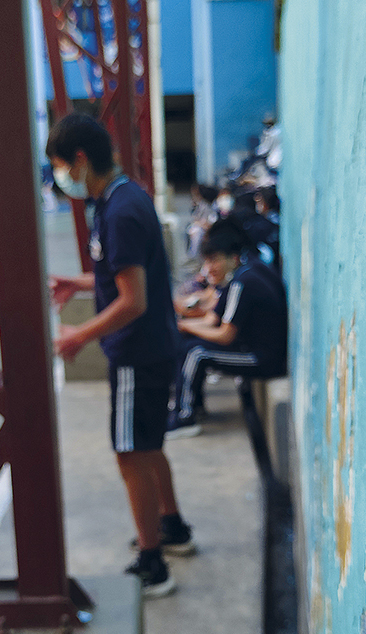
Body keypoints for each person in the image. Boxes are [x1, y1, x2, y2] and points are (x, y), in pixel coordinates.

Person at [46, 113, 193, 598]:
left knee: (130, 452)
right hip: (151, 349)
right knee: (148, 445)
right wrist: (80, 281)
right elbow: (124, 274)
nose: (62, 180)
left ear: (81, 160)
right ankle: (172, 527)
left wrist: (78, 336)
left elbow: (134, 300)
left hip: (137, 353)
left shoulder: (119, 211)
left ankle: (152, 563)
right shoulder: (124, 198)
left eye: (61, 168)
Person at [167, 219, 288, 439]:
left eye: (214, 261)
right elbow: (212, 319)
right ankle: (192, 405)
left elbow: (224, 334)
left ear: (232, 258)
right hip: (249, 348)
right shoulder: (245, 272)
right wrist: (181, 326)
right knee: (186, 342)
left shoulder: (243, 282)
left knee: (197, 352)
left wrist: (184, 325)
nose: (209, 268)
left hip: (263, 358)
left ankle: (185, 417)